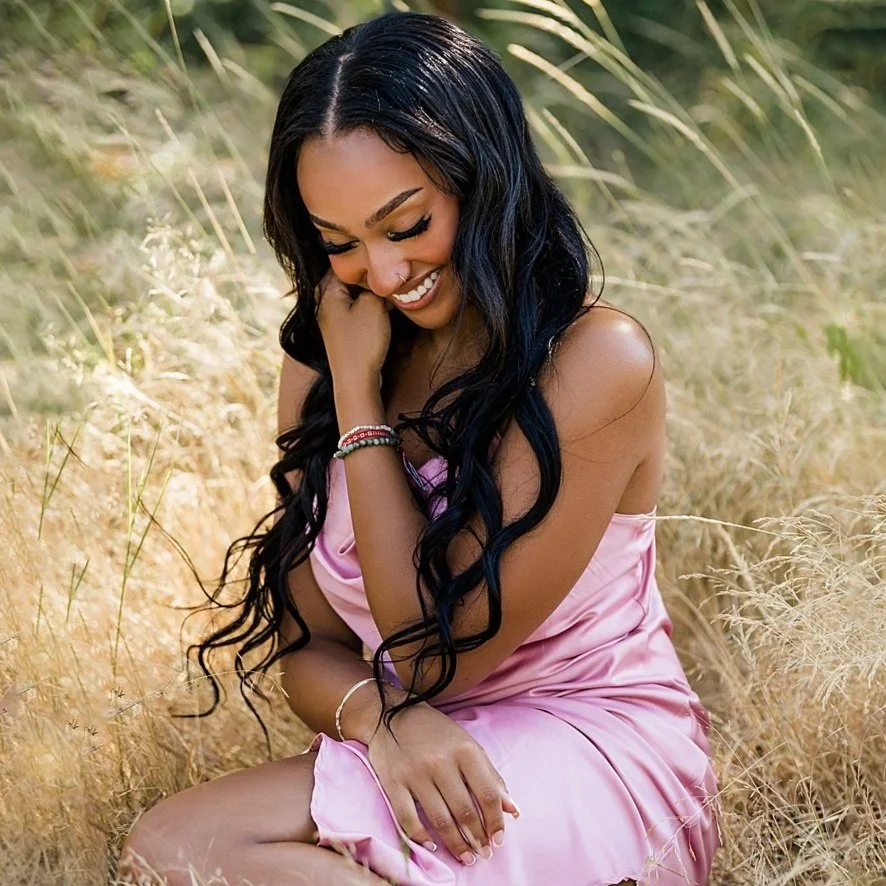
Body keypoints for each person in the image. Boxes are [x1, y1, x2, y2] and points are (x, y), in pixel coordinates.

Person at [118, 11, 720, 886]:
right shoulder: (326, 356)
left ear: (483, 177)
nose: (385, 272)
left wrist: (360, 406)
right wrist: (383, 721)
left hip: (592, 742)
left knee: (193, 848)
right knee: (171, 844)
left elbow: (433, 654)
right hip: (423, 742)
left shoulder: (596, 364)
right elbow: (309, 648)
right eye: (340, 243)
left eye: (406, 224)